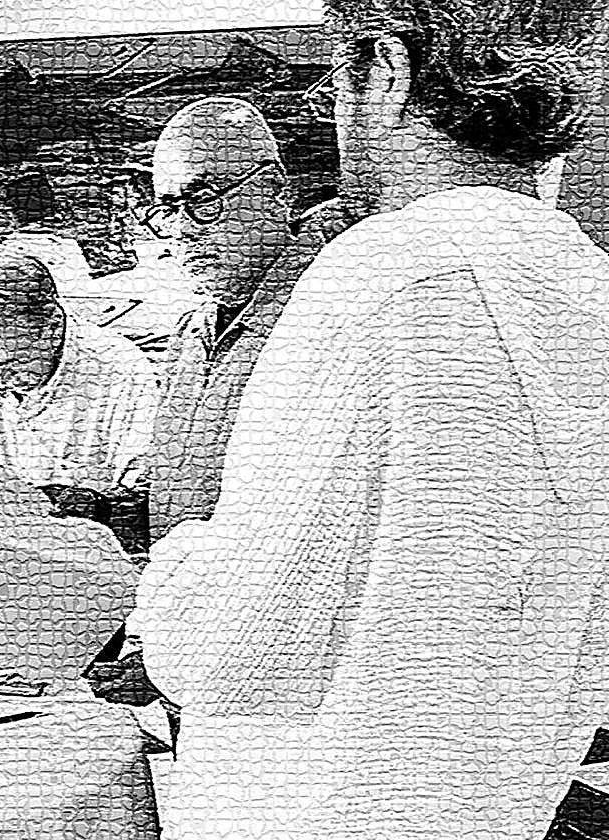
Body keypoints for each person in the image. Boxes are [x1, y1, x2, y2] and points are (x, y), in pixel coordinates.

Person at [130, 1, 609, 838]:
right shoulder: (589, 287)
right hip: (491, 811)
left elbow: (233, 647)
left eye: (336, 86)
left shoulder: (383, 278)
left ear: (386, 71)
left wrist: (165, 578)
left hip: (307, 811)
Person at [146, 96, 354, 542]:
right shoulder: (190, 336)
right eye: (166, 209)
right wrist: (105, 511)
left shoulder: (324, 322)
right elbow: (195, 499)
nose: (182, 229)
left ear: (276, 190)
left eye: (204, 199)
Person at [0, 250, 159, 592]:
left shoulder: (122, 372)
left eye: (15, 361)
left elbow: (146, 500)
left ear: (52, 326)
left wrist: (92, 505)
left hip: (90, 574)